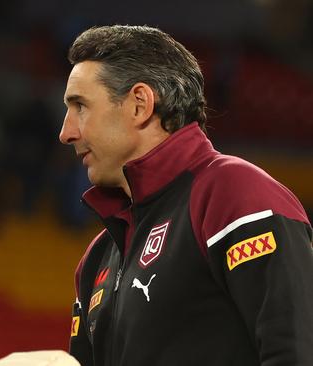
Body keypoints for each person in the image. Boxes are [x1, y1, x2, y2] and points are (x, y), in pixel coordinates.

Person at [60, 25, 313, 365]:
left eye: (80, 106)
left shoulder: (234, 196)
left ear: (139, 104)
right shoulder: (96, 258)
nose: (66, 132)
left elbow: (297, 353)